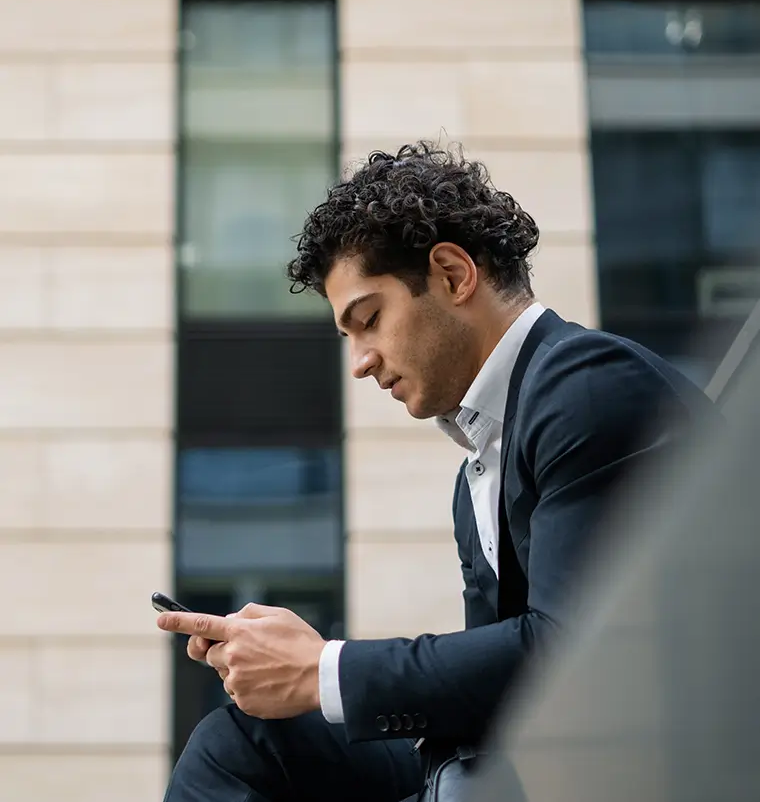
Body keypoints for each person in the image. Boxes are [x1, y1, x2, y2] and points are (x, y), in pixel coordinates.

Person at [157, 142, 718, 802]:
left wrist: (322, 668)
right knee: (241, 742)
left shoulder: (587, 385)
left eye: (369, 320)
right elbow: (489, 683)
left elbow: (573, 651)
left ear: (453, 274)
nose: (361, 361)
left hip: (640, 760)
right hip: (512, 760)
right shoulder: (477, 467)